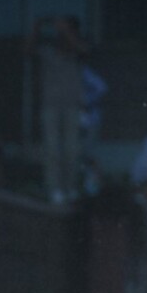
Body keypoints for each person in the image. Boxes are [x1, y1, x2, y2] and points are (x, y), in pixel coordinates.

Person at [30, 15, 89, 204]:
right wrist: (37, 27)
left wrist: (65, 30)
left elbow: (84, 50)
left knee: (72, 149)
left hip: (73, 106)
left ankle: (70, 188)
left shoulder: (78, 52)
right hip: (50, 106)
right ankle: (54, 189)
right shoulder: (47, 51)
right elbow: (27, 51)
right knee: (52, 149)